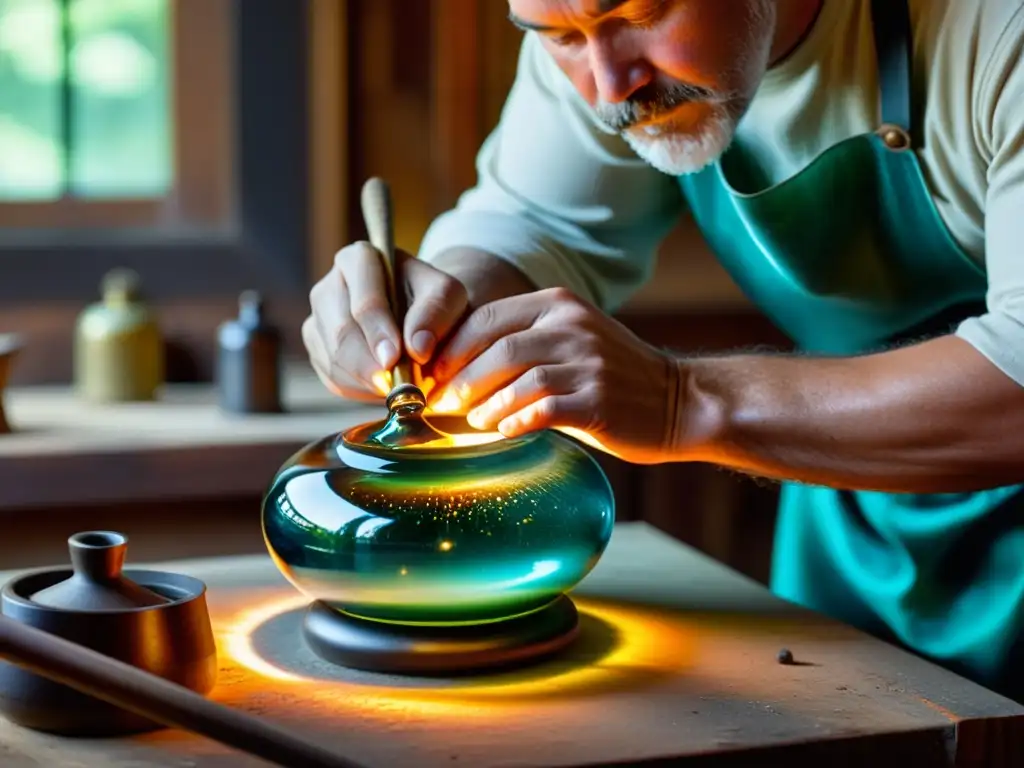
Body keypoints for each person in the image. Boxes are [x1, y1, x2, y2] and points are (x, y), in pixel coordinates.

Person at [304, 0, 1024, 701]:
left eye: (645, 16)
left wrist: (684, 403)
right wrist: (435, 308)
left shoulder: (1000, 30)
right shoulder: (591, 33)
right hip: (855, 514)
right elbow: (536, 224)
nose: (610, 87)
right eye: (555, 37)